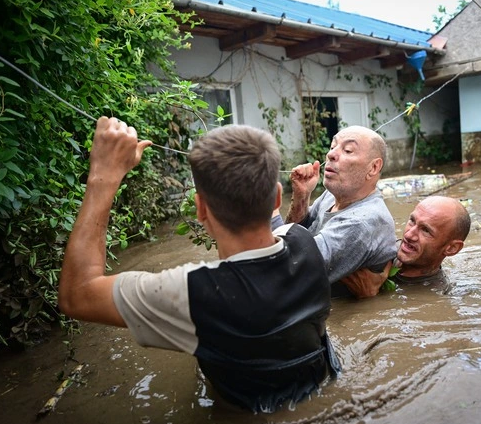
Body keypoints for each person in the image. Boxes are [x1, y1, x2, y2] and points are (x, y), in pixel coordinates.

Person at [59, 117, 340, 413]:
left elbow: (77, 294)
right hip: (322, 386)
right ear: (278, 197)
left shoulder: (191, 293)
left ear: (200, 209)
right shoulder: (306, 242)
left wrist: (102, 177)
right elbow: (276, 235)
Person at [272, 125, 397, 298]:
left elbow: (285, 269)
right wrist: (302, 197)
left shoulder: (362, 221)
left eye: (348, 150)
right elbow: (298, 234)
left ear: (373, 168)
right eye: (332, 147)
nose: (330, 155)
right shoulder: (332, 196)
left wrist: (270, 209)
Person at [391, 196, 471, 293]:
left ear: (451, 248)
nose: (408, 235)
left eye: (426, 230)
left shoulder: (436, 296)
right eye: (412, 221)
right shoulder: (381, 248)